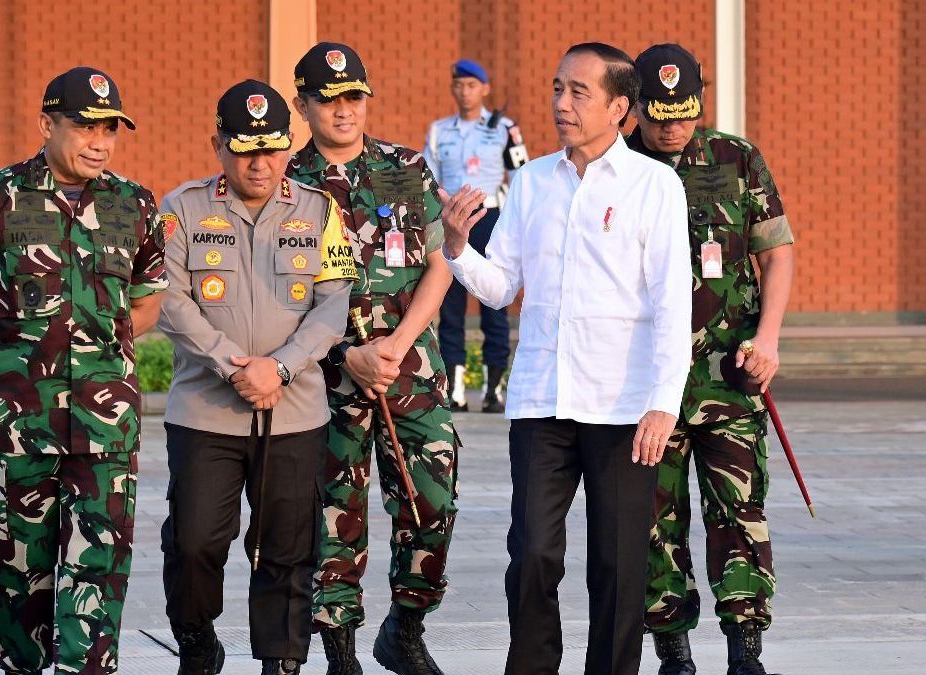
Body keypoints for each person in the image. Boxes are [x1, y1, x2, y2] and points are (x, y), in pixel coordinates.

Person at [441, 42, 692, 675]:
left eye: (579, 92)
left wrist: (664, 403)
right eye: (558, 89)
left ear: (620, 110)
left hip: (624, 407)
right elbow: (500, 285)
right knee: (531, 555)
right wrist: (455, 246)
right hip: (542, 400)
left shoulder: (654, 184)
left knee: (616, 564)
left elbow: (671, 303)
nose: (561, 104)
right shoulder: (531, 182)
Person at [0, 66, 165, 674]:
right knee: (18, 565)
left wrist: (103, 345)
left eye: (110, 129)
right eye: (85, 126)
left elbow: (147, 300)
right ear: (47, 124)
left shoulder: (134, 203)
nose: (100, 141)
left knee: (101, 562)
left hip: (105, 425)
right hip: (20, 427)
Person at [157, 80, 357, 675]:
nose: (260, 162)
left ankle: (282, 661)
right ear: (217, 142)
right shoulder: (182, 210)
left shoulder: (321, 210)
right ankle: (196, 642)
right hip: (205, 411)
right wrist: (232, 365)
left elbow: (333, 302)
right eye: (245, 147)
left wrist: (283, 366)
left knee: (286, 549)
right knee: (194, 543)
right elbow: (168, 299)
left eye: (272, 147)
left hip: (294, 411)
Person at [285, 42, 458, 675]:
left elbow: (438, 268)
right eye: (327, 100)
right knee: (333, 513)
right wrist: (346, 353)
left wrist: (396, 343)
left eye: (353, 97)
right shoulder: (285, 184)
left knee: (431, 501)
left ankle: (405, 629)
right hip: (323, 378)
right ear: (303, 105)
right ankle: (341, 653)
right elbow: (276, 297)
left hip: (410, 371)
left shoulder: (406, 168)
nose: (343, 110)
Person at [626, 43, 794, 675]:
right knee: (652, 521)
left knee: (738, 511)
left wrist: (770, 338)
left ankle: (746, 650)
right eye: (659, 111)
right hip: (646, 383)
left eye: (684, 111)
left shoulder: (736, 157)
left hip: (729, 371)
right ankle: (673, 653)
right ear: (633, 104)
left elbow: (775, 252)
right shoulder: (614, 167)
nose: (672, 125)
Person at [423, 58, 529, 413]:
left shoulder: (504, 128)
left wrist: (517, 221)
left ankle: (493, 387)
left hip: (491, 217)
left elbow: (521, 175)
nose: (465, 91)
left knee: (494, 304)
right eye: (459, 85)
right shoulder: (439, 130)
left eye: (472, 85)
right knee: (450, 306)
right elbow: (429, 179)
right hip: (453, 220)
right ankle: (454, 386)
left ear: (484, 88)